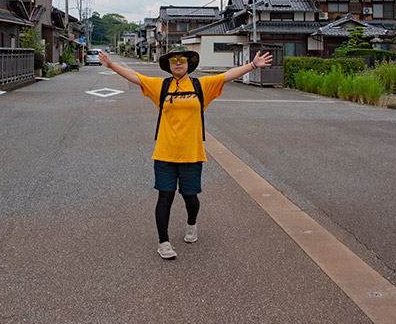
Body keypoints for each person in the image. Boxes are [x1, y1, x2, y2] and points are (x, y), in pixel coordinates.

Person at [98, 46, 273, 259]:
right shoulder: (160, 86)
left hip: (192, 154)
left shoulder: (201, 85)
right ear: (169, 66)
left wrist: (252, 65)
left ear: (188, 63)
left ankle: (192, 224)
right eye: (173, 60)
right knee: (165, 197)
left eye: (182, 59)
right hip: (164, 153)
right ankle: (163, 242)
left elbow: (226, 75)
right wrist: (112, 65)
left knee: (190, 197)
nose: (178, 63)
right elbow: (136, 77)